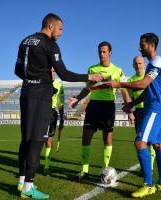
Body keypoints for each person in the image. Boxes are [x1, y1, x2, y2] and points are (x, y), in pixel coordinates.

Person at [14, 13, 103, 199]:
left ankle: (21, 182)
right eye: (60, 29)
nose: (61, 33)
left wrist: (31, 80)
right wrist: (89, 77)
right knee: (37, 140)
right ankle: (29, 187)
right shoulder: (49, 44)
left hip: (26, 93)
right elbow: (64, 74)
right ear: (50, 25)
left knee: (26, 139)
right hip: (41, 96)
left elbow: (17, 70)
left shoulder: (25, 41)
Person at [105, 33, 161, 197]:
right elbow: (148, 89)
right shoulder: (152, 65)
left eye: (143, 45)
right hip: (155, 107)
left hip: (156, 108)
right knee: (158, 145)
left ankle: (147, 184)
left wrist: (119, 83)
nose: (140, 48)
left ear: (152, 45)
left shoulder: (157, 63)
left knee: (140, 142)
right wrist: (132, 104)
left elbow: (143, 83)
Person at [68, 41, 131, 181]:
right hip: (93, 106)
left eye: (104, 51)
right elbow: (88, 88)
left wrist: (129, 108)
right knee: (86, 138)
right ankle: (85, 171)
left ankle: (106, 169)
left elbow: (124, 89)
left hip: (108, 106)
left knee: (107, 139)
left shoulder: (118, 70)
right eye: (100, 52)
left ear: (110, 53)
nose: (102, 54)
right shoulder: (92, 69)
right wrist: (77, 99)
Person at [128, 56, 155, 171]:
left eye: (140, 63)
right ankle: (145, 166)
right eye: (136, 64)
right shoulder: (130, 80)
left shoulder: (149, 76)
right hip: (138, 112)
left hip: (150, 110)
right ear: (133, 65)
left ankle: (150, 167)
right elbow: (129, 98)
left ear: (144, 64)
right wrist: (130, 113)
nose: (138, 66)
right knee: (140, 141)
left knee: (151, 141)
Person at [43, 67, 65, 176]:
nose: (52, 73)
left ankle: (46, 166)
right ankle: (29, 167)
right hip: (40, 113)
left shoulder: (59, 86)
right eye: (50, 71)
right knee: (36, 140)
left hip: (52, 114)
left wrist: (62, 119)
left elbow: (61, 104)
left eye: (53, 71)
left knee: (48, 141)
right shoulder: (41, 82)